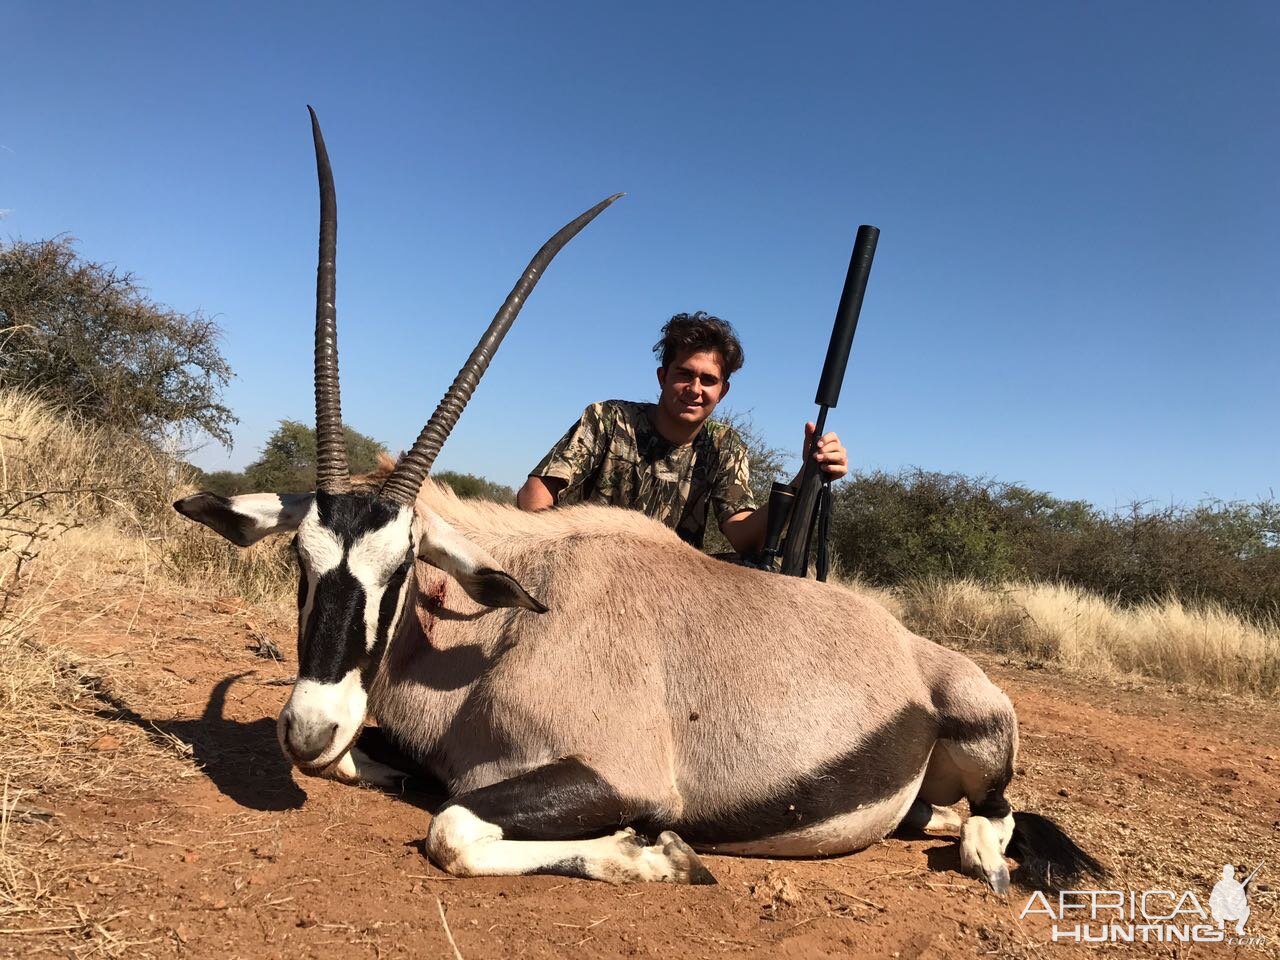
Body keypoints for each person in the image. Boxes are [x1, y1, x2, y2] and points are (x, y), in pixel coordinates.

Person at [516, 311, 847, 555]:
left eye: (708, 380)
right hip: (593, 566)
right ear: (662, 377)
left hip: (674, 589)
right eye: (684, 374)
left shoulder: (724, 446)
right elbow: (538, 491)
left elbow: (743, 535)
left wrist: (805, 476)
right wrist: (554, 552)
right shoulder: (608, 418)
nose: (694, 389)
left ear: (723, 391)